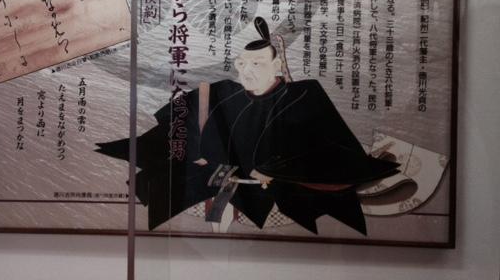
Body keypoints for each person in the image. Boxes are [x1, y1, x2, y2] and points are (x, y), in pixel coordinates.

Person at [96, 17, 399, 235]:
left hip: (277, 187)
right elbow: (184, 124)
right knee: (164, 176)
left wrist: (273, 169)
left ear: (277, 66)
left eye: (257, 65)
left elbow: (331, 149)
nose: (247, 72)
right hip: (222, 177)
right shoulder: (228, 92)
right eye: (242, 64)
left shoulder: (304, 95)